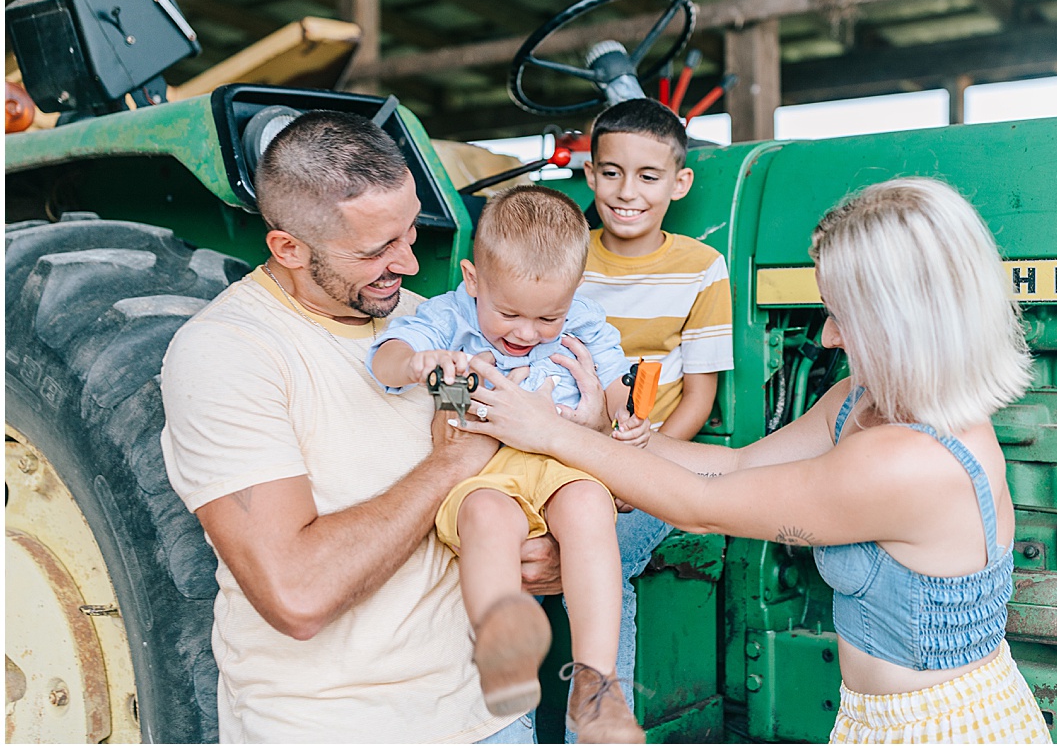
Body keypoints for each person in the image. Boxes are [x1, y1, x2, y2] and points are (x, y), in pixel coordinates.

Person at [456, 176, 1054, 744]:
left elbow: (703, 507)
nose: (826, 339)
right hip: (871, 717)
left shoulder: (911, 463)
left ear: (901, 324)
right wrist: (593, 426)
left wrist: (548, 434)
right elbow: (735, 467)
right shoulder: (863, 401)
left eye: (842, 317)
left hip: (942, 729)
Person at [160, 110, 564, 744]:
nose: (406, 263)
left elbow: (511, 478)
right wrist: (450, 465)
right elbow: (296, 594)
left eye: (408, 233)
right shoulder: (225, 353)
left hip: (489, 717)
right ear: (288, 248)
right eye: (375, 250)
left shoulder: (430, 321)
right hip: (337, 725)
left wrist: (546, 550)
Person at [366, 185, 649, 743]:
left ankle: (598, 688)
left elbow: (617, 380)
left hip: (559, 459)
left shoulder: (582, 319)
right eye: (509, 313)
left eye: (549, 317)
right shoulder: (445, 316)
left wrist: (626, 414)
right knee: (489, 521)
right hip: (482, 466)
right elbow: (385, 359)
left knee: (592, 505)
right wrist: (418, 362)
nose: (527, 332)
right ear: (473, 281)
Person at [578, 98, 735, 730]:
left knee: (603, 558)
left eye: (648, 177)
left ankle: (598, 729)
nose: (626, 192)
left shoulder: (701, 269)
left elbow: (698, 397)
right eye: (611, 173)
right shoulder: (567, 255)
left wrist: (638, 468)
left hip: (654, 458)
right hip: (561, 449)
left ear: (679, 182)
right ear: (589, 176)